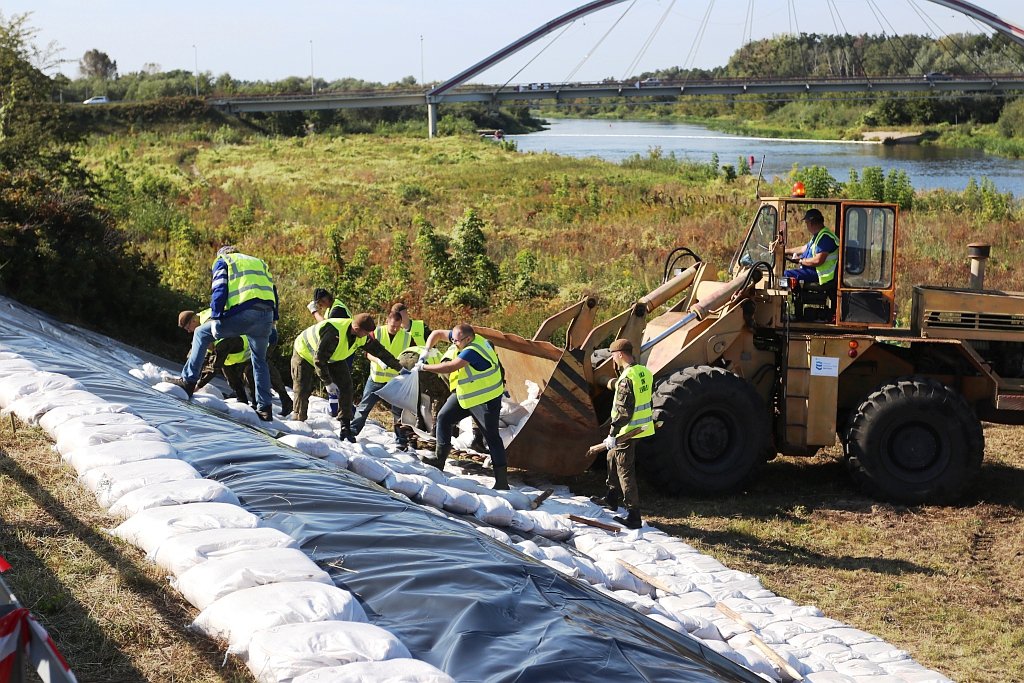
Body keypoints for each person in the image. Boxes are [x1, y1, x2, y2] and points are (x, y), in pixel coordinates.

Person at [170, 246, 278, 421]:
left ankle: (188, 382)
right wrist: (273, 323)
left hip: (244, 313)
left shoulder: (224, 261)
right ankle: (265, 409)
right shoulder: (259, 263)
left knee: (200, 333)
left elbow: (219, 288)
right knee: (259, 361)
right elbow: (273, 292)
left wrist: (216, 318)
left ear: (223, 254)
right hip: (266, 316)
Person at [417, 324, 509, 490]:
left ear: (468, 339)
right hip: (467, 395)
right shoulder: (462, 338)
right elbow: (437, 332)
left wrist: (424, 367)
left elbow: (450, 366)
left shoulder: (472, 351)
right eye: (452, 339)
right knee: (444, 418)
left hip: (486, 399)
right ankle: (439, 460)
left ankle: (502, 482)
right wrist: (426, 350)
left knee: (492, 437)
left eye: (456, 341)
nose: (453, 343)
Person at [291, 312, 403, 441]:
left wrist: (400, 368)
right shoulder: (333, 333)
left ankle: (345, 427)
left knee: (346, 386)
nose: (367, 336)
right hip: (304, 352)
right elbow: (319, 359)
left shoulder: (360, 335)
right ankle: (299, 419)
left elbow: (379, 351)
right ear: (357, 329)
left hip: (334, 357)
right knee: (302, 388)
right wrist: (328, 383)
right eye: (366, 333)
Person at [590, 338, 654, 530]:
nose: (613, 360)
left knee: (624, 471)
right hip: (641, 427)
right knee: (611, 456)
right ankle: (611, 497)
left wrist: (612, 434)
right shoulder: (644, 372)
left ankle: (633, 515)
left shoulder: (626, 379)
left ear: (619, 354)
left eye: (613, 356)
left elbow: (623, 411)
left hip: (626, 431)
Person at [350, 309, 416, 448]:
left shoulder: (407, 337)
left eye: (398, 326)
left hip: (396, 382)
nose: (395, 329)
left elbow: (412, 354)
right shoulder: (377, 332)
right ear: (387, 322)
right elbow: (367, 353)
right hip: (376, 379)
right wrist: (378, 361)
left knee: (399, 412)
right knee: (364, 408)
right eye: (393, 326)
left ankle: (401, 442)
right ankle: (352, 432)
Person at [178, 309, 253, 405]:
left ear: (193, 321)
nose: (189, 331)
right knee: (230, 376)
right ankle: (242, 400)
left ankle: (257, 406)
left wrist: (197, 386)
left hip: (246, 349)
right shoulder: (204, 321)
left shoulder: (213, 331)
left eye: (188, 328)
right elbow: (199, 355)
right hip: (233, 350)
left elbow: (213, 367)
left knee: (250, 380)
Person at [397, 344, 450, 437]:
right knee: (439, 394)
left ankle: (419, 422)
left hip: (402, 360)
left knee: (415, 391)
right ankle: (434, 428)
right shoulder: (446, 361)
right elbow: (443, 382)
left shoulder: (436, 353)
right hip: (420, 364)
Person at [784, 208, 838, 286]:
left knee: (785, 275)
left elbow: (818, 261)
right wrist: (785, 251)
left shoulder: (825, 238)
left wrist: (800, 261)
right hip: (812, 270)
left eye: (806, 223)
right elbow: (803, 249)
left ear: (811, 223)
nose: (806, 226)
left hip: (820, 275)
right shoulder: (818, 236)